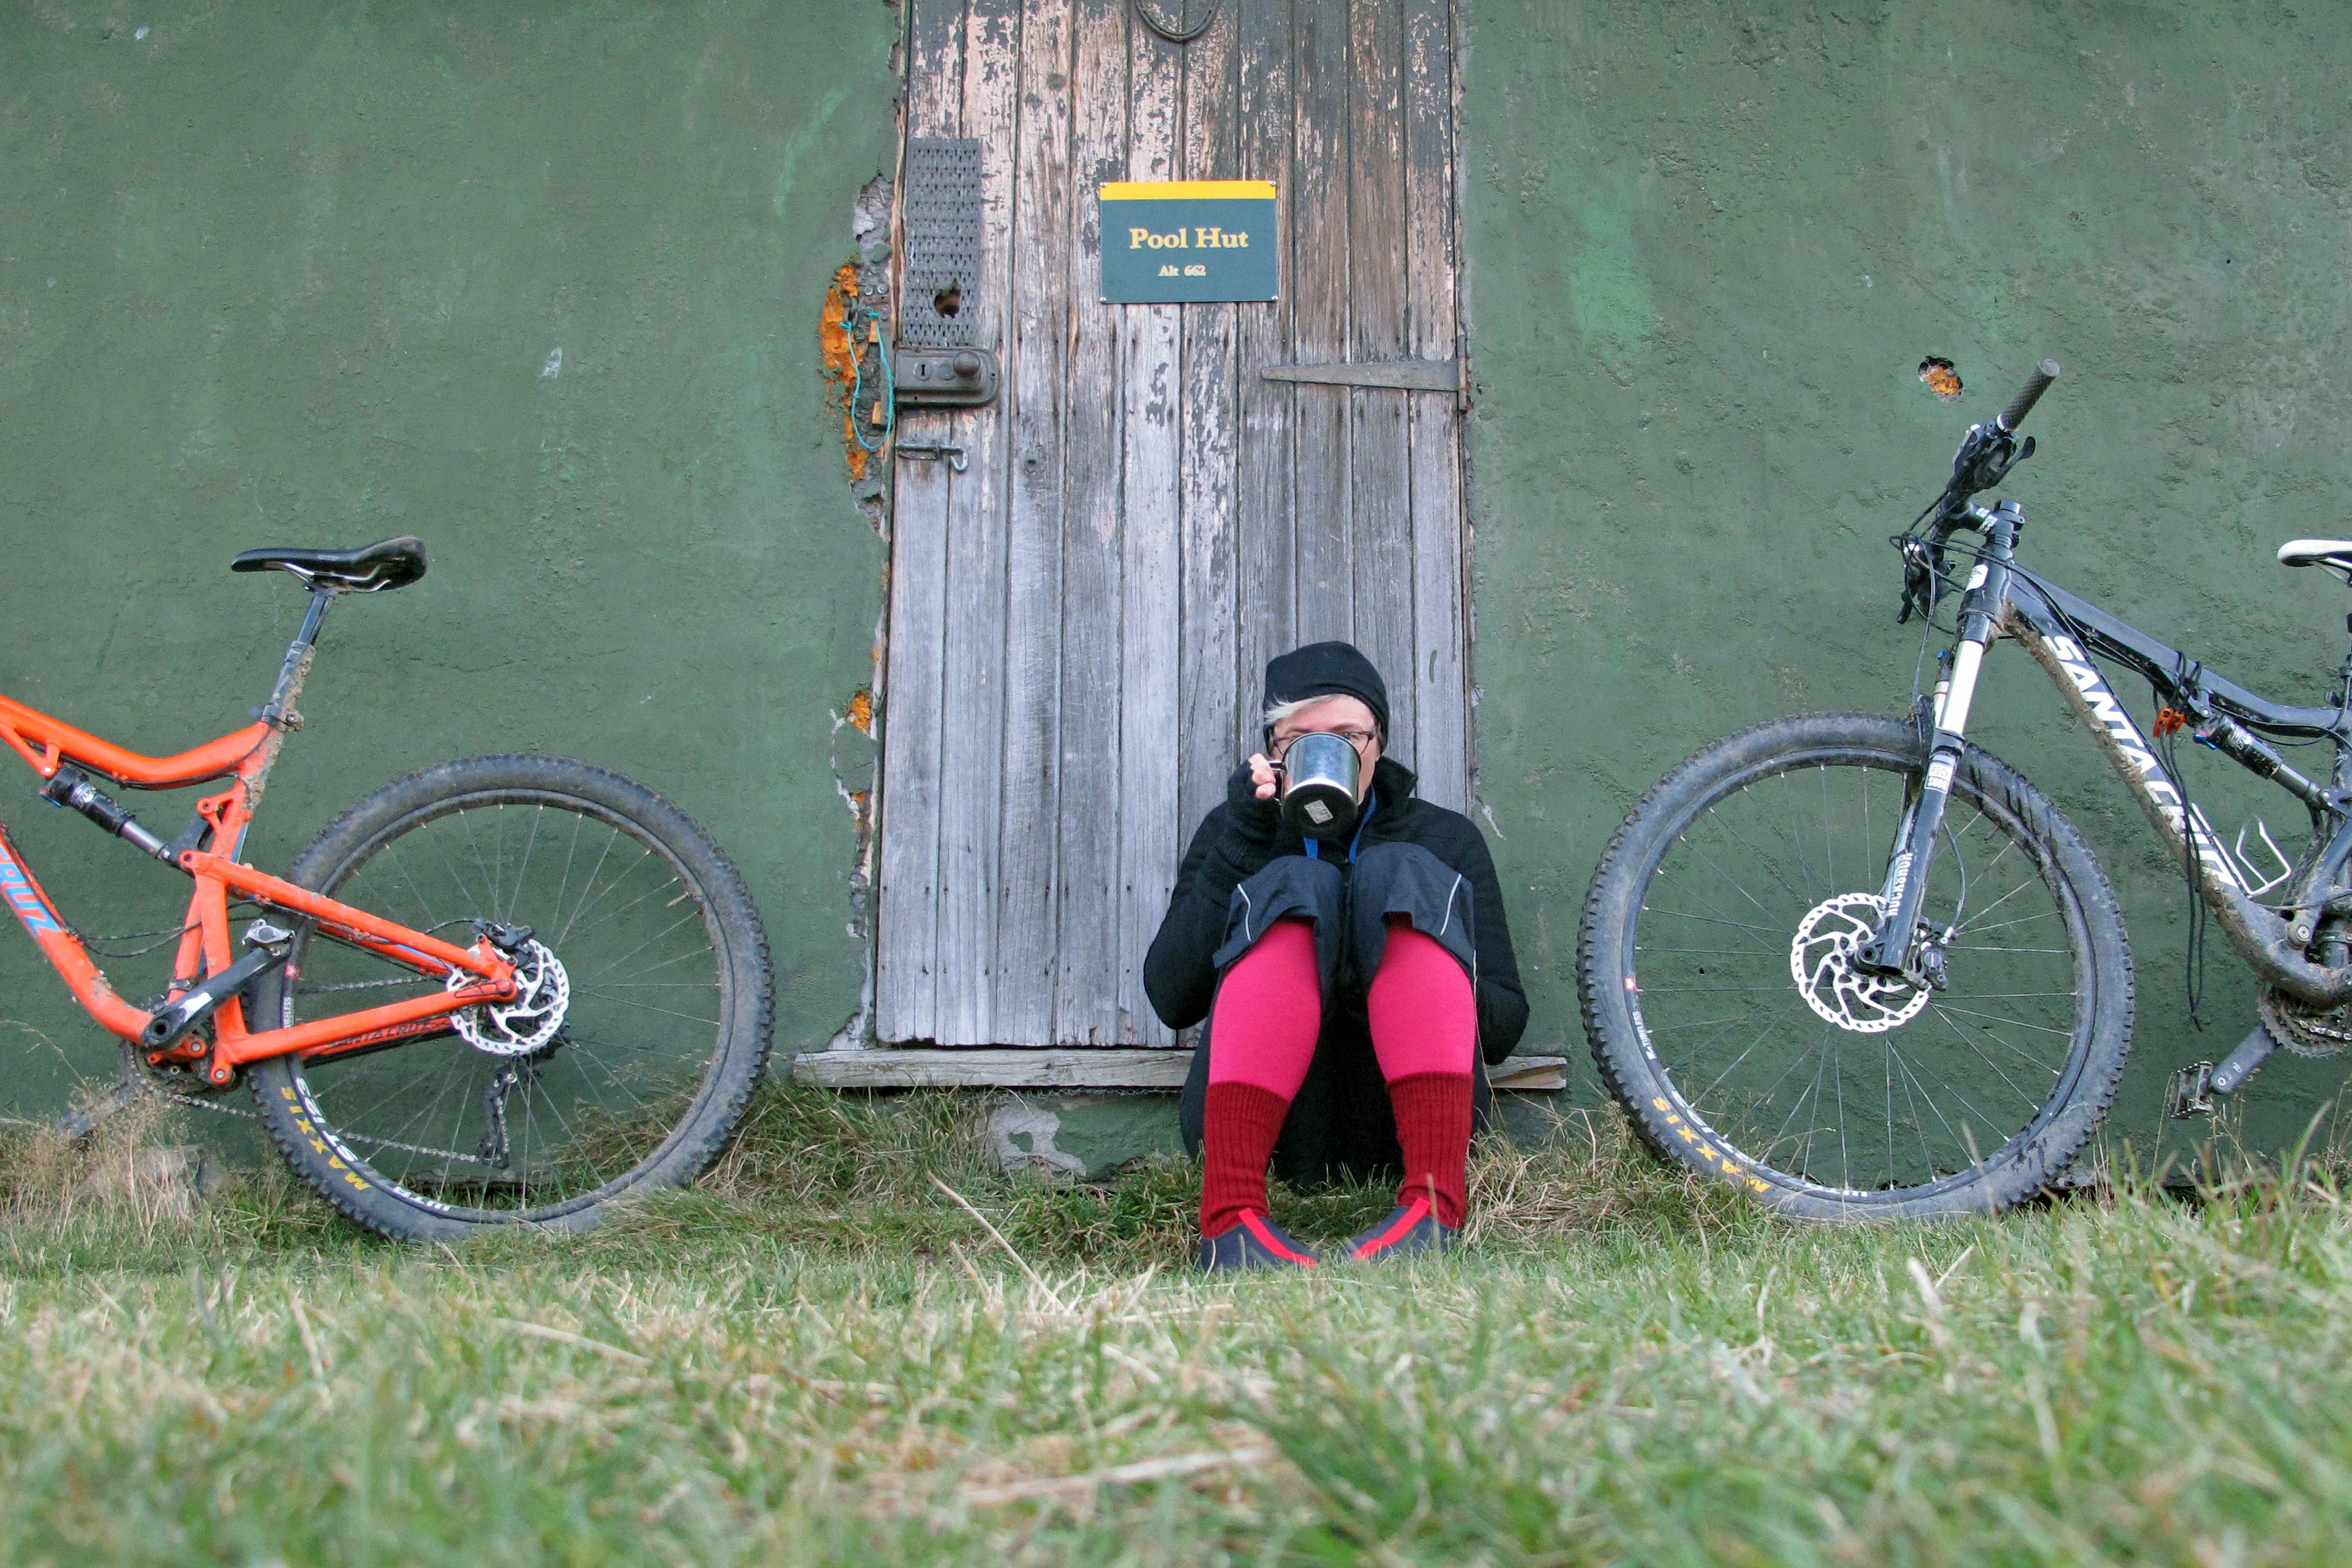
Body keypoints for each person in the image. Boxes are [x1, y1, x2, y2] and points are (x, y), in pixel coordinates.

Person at [1144, 641, 1527, 1270]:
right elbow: (1171, 998)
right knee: (1301, 884)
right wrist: (1247, 843)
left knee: (1397, 872)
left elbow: (1503, 1028)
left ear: (1379, 743)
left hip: (1411, 1124)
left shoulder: (1443, 839)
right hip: (1269, 1131)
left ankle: (1433, 1211)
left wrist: (1395, 947)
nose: (1332, 752)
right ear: (1274, 749)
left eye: (1350, 735)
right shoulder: (1237, 830)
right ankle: (1231, 1220)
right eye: (1302, 739)